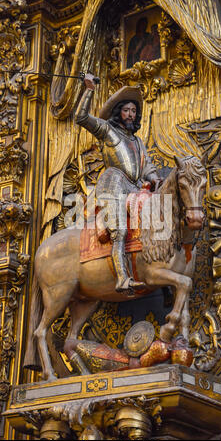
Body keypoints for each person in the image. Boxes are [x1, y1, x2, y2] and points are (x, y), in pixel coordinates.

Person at [75, 73, 161, 294]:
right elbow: (81, 118)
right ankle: (122, 278)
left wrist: (154, 178)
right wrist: (89, 90)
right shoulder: (106, 130)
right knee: (120, 231)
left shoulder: (138, 141)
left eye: (133, 111)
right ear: (118, 112)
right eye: (126, 110)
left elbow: (147, 165)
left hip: (135, 187)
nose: (131, 114)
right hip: (113, 184)